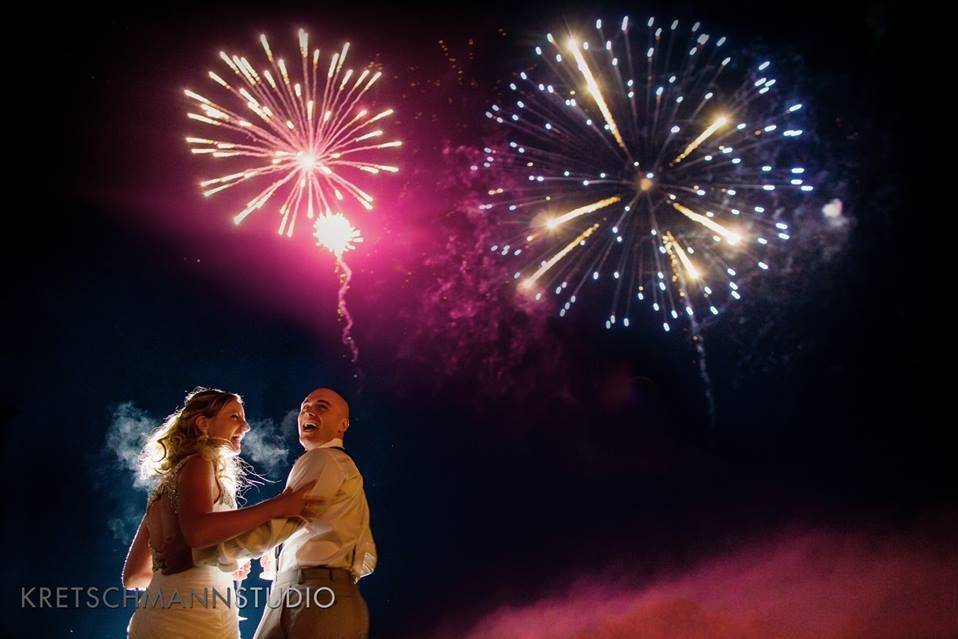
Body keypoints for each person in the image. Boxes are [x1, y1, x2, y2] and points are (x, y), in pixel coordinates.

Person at [122, 387, 321, 639]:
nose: (246, 426)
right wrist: (279, 506)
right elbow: (198, 531)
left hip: (151, 622)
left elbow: (134, 577)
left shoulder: (162, 491)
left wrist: (218, 564)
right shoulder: (199, 462)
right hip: (196, 623)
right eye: (234, 417)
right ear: (203, 424)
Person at [252, 387, 377, 639]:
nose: (308, 410)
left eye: (321, 406)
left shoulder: (323, 459)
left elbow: (282, 522)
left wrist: (226, 550)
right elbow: (367, 558)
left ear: (342, 425)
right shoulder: (342, 468)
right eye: (304, 407)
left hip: (310, 594)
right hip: (317, 592)